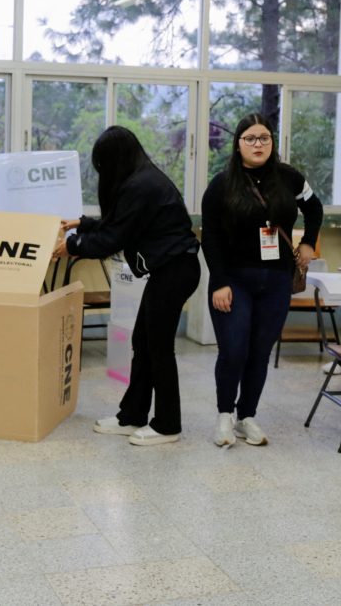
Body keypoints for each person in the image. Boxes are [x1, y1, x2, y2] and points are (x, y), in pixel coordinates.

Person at [53, 126, 200, 446]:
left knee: (158, 349)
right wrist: (82, 223)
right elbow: (119, 223)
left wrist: (73, 246)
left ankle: (167, 425)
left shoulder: (140, 185)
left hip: (175, 271)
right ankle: (131, 416)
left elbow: (112, 239)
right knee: (144, 343)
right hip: (170, 270)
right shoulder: (142, 178)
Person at [201, 113, 323, 447]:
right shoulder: (222, 184)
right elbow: (209, 236)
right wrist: (220, 282)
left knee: (259, 352)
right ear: (238, 144)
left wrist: (308, 243)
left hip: (277, 281)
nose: (258, 144)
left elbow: (315, 209)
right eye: (250, 138)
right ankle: (225, 416)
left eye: (265, 138)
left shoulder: (289, 178)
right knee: (233, 350)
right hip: (234, 280)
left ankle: (246, 417)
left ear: (273, 142)